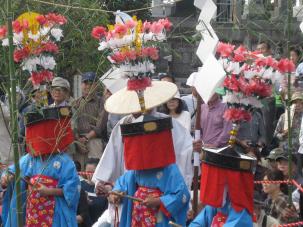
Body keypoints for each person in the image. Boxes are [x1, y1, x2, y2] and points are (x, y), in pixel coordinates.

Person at [1, 104, 80, 226]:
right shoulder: (30, 158)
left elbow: (73, 188)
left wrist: (50, 191)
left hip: (54, 213)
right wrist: (6, 177)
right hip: (32, 212)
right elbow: (12, 170)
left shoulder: (65, 161)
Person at [109, 114, 190, 226]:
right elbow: (123, 183)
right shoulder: (138, 166)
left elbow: (182, 194)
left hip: (158, 215)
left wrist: (159, 201)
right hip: (137, 214)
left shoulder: (169, 168)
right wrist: (117, 193)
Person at [73, 72, 108, 169]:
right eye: (85, 83)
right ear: (81, 85)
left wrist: (86, 138)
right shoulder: (75, 103)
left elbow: (100, 125)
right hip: (78, 142)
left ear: (96, 85)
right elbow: (72, 124)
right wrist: (77, 140)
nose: (88, 86)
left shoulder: (102, 102)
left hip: (94, 140)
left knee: (93, 173)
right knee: (78, 173)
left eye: (91, 83)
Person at [81, 158, 108, 224]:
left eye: (92, 172)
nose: (90, 175)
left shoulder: (104, 187)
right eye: (87, 172)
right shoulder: (81, 185)